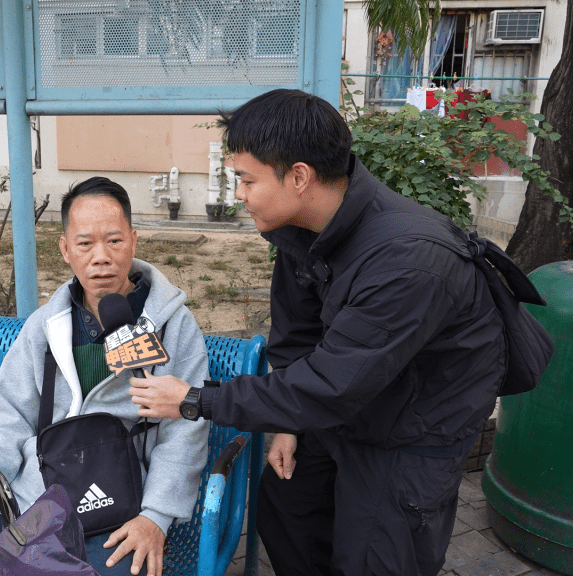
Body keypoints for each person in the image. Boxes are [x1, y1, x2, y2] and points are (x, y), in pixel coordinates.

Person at [128, 89, 507, 576]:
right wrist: (288, 423)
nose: (238, 194)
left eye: (245, 179)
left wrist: (195, 399)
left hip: (414, 424)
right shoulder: (300, 226)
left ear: (299, 176)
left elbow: (331, 385)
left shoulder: (408, 261)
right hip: (349, 401)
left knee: (376, 554)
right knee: (289, 504)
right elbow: (297, 332)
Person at [0, 177, 210, 576]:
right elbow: (11, 418)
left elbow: (186, 431)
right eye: (85, 244)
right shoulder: (44, 326)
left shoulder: (173, 326)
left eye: (114, 241)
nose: (101, 257)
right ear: (64, 249)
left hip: (122, 507)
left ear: (133, 240)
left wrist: (156, 517)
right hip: (35, 500)